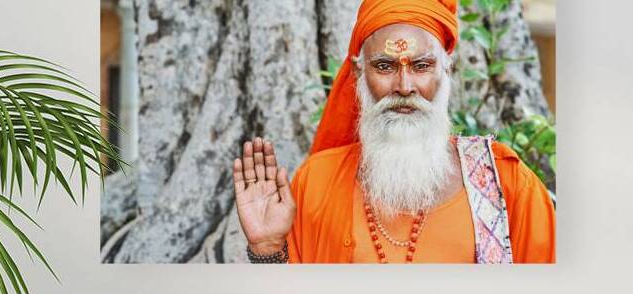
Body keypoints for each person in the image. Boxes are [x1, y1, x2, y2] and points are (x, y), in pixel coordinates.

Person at [232, 0, 555, 264]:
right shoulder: (317, 180)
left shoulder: (507, 184)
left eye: (421, 66)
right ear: (359, 72)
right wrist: (267, 248)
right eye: (385, 67)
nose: (404, 86)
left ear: (447, 69)